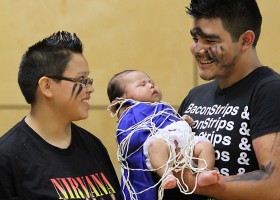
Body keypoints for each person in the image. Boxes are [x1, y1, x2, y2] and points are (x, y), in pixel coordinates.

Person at [169, 0, 280, 199]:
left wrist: (196, 183)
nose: (198, 49)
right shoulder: (195, 96)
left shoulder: (270, 91)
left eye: (210, 42)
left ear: (245, 40)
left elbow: (275, 183)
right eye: (195, 38)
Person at [0, 31, 121, 200]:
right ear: (47, 86)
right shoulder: (7, 157)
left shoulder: (93, 145)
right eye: (81, 80)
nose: (90, 89)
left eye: (89, 80)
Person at [107, 70, 220, 200]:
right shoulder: (129, 114)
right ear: (120, 100)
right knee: (156, 144)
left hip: (183, 148)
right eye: (142, 84)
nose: (151, 85)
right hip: (161, 152)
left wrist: (181, 123)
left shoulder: (163, 107)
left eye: (151, 82)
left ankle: (203, 173)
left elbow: (171, 124)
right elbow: (130, 141)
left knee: (205, 145)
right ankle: (167, 174)